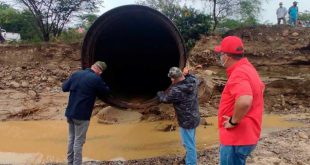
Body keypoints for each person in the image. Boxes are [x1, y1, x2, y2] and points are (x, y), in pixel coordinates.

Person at [214, 36, 265, 165]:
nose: (220, 57)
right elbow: (261, 88)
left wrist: (233, 121)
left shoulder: (239, 73)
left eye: (221, 54)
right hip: (247, 135)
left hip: (236, 138)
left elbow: (245, 100)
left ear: (227, 56)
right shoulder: (249, 69)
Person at [62, 61, 110, 165]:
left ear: (92, 66)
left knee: (71, 139)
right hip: (82, 115)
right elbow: (106, 91)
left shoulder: (76, 74)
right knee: (78, 141)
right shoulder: (96, 79)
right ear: (100, 71)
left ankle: (70, 162)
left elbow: (64, 88)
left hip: (70, 113)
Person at [157, 67, 200, 165]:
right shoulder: (193, 81)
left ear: (173, 79)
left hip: (186, 121)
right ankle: (189, 160)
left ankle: (191, 163)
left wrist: (159, 93)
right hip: (194, 117)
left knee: (189, 145)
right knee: (190, 141)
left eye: (171, 78)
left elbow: (165, 99)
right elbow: (191, 76)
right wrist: (187, 74)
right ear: (182, 75)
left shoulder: (177, 90)